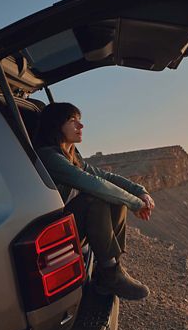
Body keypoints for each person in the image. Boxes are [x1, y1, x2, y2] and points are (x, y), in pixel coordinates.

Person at [34, 102, 155, 300]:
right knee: (94, 198)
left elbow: (105, 177)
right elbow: (94, 184)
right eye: (73, 121)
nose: (80, 126)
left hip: (68, 223)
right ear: (56, 125)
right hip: (52, 229)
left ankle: (109, 267)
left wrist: (139, 191)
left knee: (114, 198)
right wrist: (135, 204)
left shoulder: (72, 157)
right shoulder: (49, 157)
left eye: (80, 121)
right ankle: (109, 272)